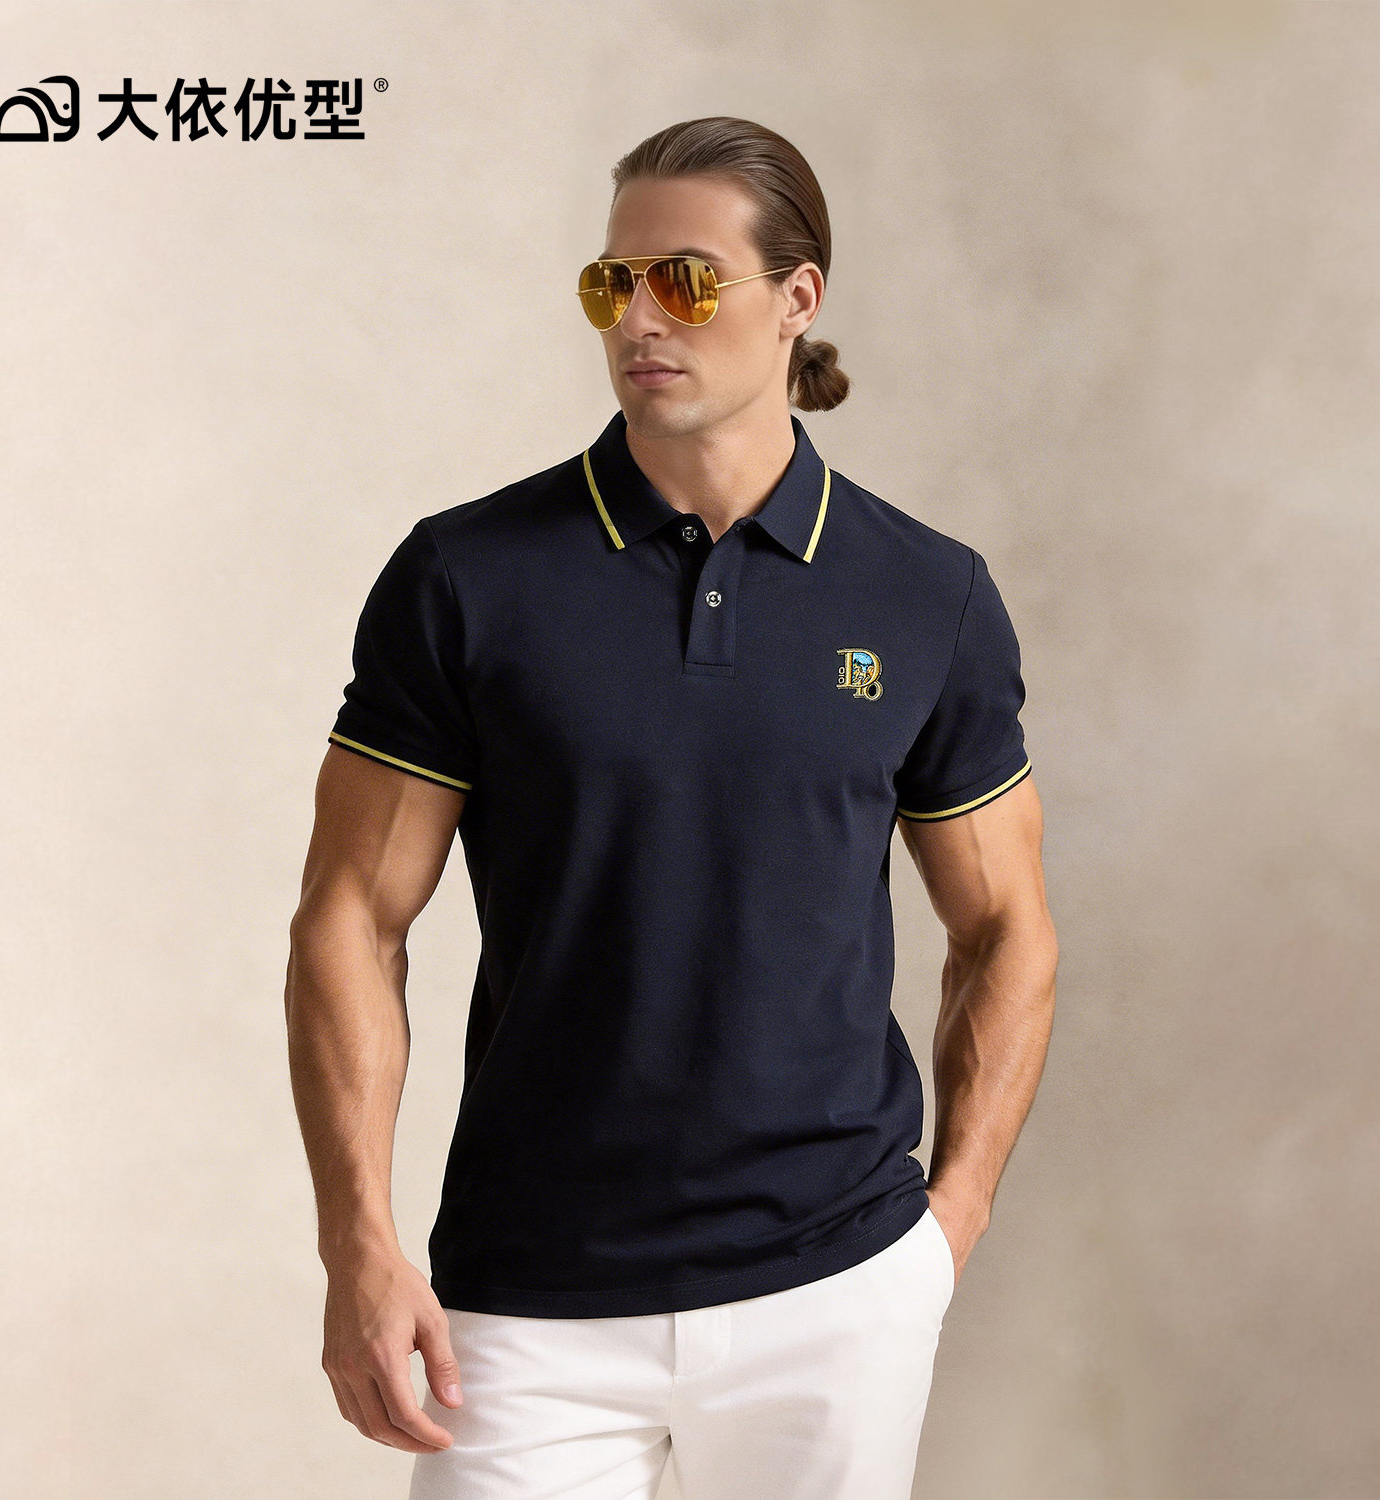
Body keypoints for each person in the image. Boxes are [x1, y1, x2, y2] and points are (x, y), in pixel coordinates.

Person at [285, 115, 1058, 1500]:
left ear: (798, 298)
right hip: (528, 1294)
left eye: (687, 282)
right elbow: (350, 917)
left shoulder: (925, 594)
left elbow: (1006, 926)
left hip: (834, 1287)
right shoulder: (467, 578)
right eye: (613, 283)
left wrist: (948, 1226)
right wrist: (359, 1243)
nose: (639, 318)